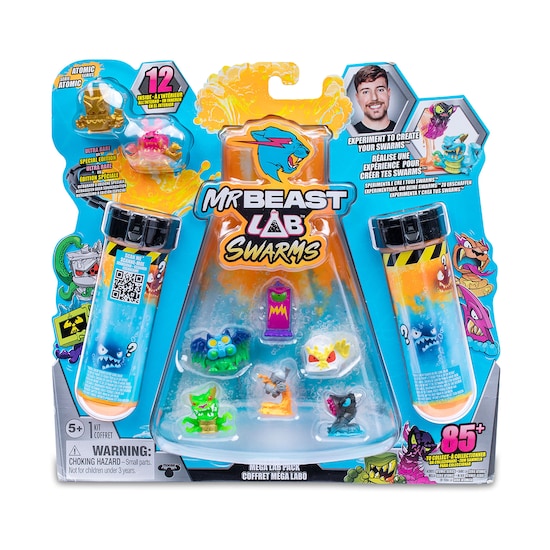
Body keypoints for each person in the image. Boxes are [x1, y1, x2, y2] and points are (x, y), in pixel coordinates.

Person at [353, 65, 396, 133]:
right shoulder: (348, 134)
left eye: (380, 90)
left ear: (388, 93)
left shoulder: (403, 130)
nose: (374, 98)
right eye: (366, 92)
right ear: (357, 98)